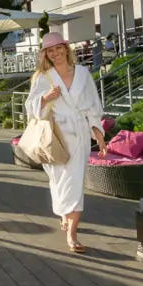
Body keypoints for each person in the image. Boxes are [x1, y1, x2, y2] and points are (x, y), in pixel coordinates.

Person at [24, 32, 106, 254]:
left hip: (79, 133)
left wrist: (98, 134)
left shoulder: (83, 74)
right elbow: (30, 106)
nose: (56, 53)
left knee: (75, 183)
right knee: (59, 181)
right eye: (50, 50)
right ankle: (63, 213)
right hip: (56, 136)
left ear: (66, 49)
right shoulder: (43, 77)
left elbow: (93, 105)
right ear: (46, 55)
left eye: (58, 48)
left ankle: (72, 233)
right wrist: (45, 98)